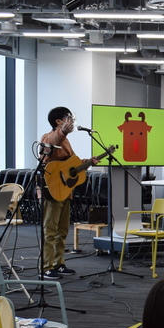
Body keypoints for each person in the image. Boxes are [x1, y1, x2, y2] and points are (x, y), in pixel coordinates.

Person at [39, 106, 93, 280]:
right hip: (52, 190)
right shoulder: (48, 136)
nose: (71, 120)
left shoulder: (67, 142)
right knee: (50, 230)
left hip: (65, 191)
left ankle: (59, 263)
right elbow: (54, 140)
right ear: (58, 121)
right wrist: (62, 132)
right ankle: (46, 267)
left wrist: (88, 162)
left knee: (62, 230)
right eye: (67, 117)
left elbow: (72, 164)